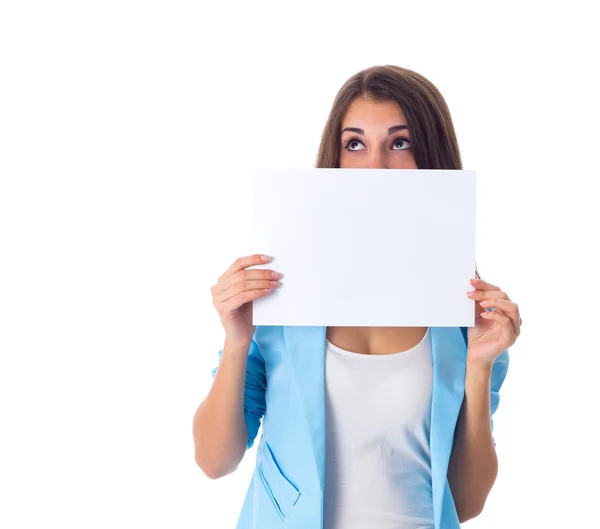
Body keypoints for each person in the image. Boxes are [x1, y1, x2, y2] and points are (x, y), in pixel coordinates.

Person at [192, 65, 522, 529]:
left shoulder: (467, 317)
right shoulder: (284, 297)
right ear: (336, 157)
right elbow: (213, 460)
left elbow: (465, 503)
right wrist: (236, 340)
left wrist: (480, 366)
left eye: (400, 143)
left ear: (432, 156)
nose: (376, 166)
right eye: (355, 144)